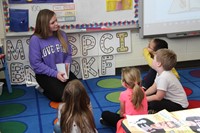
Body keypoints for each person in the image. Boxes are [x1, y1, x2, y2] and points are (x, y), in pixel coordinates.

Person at [29, 9, 77, 102]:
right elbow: (36, 64)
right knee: (62, 97)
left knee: (78, 91)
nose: (56, 24)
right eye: (52, 22)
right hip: (45, 74)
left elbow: (69, 54)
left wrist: (66, 67)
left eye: (56, 21)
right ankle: (42, 89)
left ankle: (59, 85)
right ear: (44, 25)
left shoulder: (62, 34)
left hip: (62, 71)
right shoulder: (35, 40)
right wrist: (55, 74)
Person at [145, 49, 189, 113]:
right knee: (152, 96)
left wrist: (144, 99)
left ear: (159, 64)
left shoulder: (164, 77)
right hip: (170, 100)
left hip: (179, 106)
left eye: (153, 59)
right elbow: (153, 87)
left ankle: (154, 111)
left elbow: (158, 97)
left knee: (153, 103)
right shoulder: (160, 72)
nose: (152, 61)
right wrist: (143, 94)